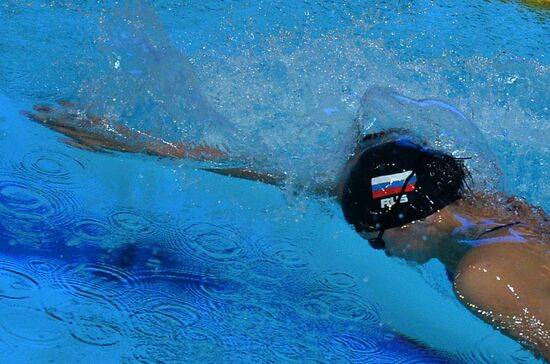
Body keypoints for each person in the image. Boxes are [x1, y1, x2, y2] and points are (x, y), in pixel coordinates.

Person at [23, 102, 549, 360]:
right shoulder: (491, 208)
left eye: (372, 234)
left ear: (403, 223)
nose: (376, 248)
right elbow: (314, 179)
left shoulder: (482, 278)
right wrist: (138, 144)